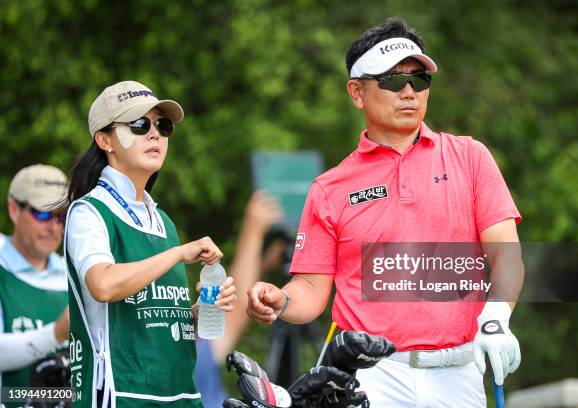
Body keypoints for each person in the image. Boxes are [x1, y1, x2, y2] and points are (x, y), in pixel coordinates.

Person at [247, 17, 524, 407]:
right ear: (357, 92)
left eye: (419, 80)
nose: (409, 92)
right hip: (371, 375)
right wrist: (280, 300)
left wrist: (496, 318)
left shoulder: (470, 157)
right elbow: (311, 290)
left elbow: (506, 255)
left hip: (459, 370)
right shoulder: (330, 187)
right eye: (393, 81)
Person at [61, 80, 237, 408]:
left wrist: (202, 311)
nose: (154, 133)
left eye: (163, 125)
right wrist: (178, 253)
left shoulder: (163, 220)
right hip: (122, 395)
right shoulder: (89, 211)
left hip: (180, 394)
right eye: (140, 124)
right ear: (104, 140)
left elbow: (157, 315)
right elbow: (103, 285)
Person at [195, 190, 283, 407]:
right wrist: (252, 231)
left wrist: (262, 269)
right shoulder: (189, 355)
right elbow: (235, 311)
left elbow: (236, 307)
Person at [0, 165, 69, 400]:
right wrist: (57, 333)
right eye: (42, 214)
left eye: (61, 215)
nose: (53, 227)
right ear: (14, 210)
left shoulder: (75, 274)